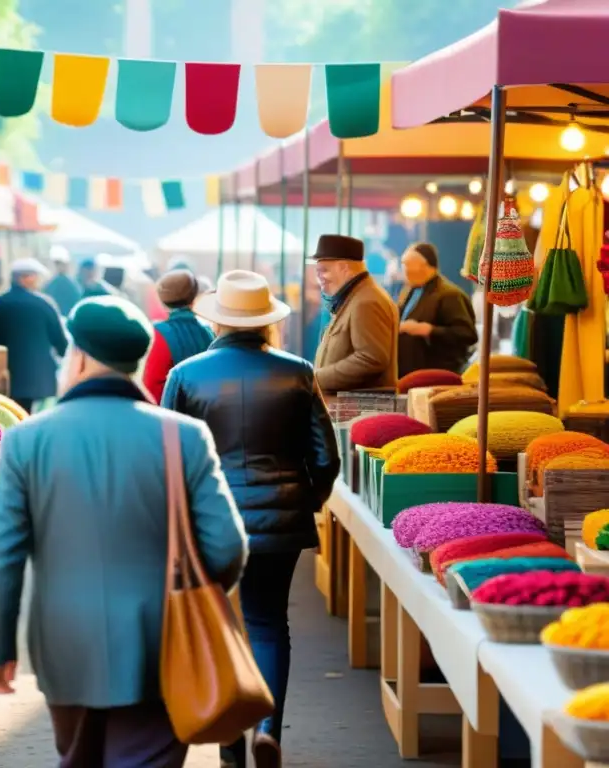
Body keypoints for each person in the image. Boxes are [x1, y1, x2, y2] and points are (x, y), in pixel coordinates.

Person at [0, 296, 247, 768]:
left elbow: (1, 555)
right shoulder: (184, 435)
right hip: (162, 642)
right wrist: (191, 595)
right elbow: (227, 546)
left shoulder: (26, 438)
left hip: (63, 644)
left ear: (78, 356)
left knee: (76, 758)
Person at [161, 270, 340, 768]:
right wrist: (308, 501)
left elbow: (166, 458)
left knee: (215, 627)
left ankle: (229, 741)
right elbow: (326, 456)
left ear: (217, 320)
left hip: (207, 522)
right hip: (279, 521)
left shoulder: (186, 374)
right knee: (267, 623)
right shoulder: (298, 370)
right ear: (265, 322)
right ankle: (268, 730)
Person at [312, 235, 399, 393]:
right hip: (351, 408)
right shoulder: (357, 296)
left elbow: (371, 359)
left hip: (359, 410)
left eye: (323, 270)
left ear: (344, 268)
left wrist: (316, 379)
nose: (319, 277)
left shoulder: (366, 301)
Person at [0, 258, 69, 415]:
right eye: (34, 276)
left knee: (14, 415)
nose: (37, 281)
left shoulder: (1, 302)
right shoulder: (44, 303)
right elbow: (59, 340)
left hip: (11, 372)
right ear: (24, 278)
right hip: (41, 376)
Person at [397, 242, 478, 376]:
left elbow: (467, 334)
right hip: (410, 373)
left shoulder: (450, 295)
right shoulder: (411, 291)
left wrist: (428, 330)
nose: (404, 271)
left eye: (407, 265)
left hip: (437, 374)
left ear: (423, 266)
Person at [142, 269, 214, 402]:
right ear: (193, 296)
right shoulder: (208, 331)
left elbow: (152, 385)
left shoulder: (159, 333)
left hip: (172, 414)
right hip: (206, 409)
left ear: (162, 301)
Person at [43, 246, 82, 316]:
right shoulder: (52, 283)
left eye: (61, 264)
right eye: (57, 264)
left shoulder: (70, 283)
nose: (60, 266)